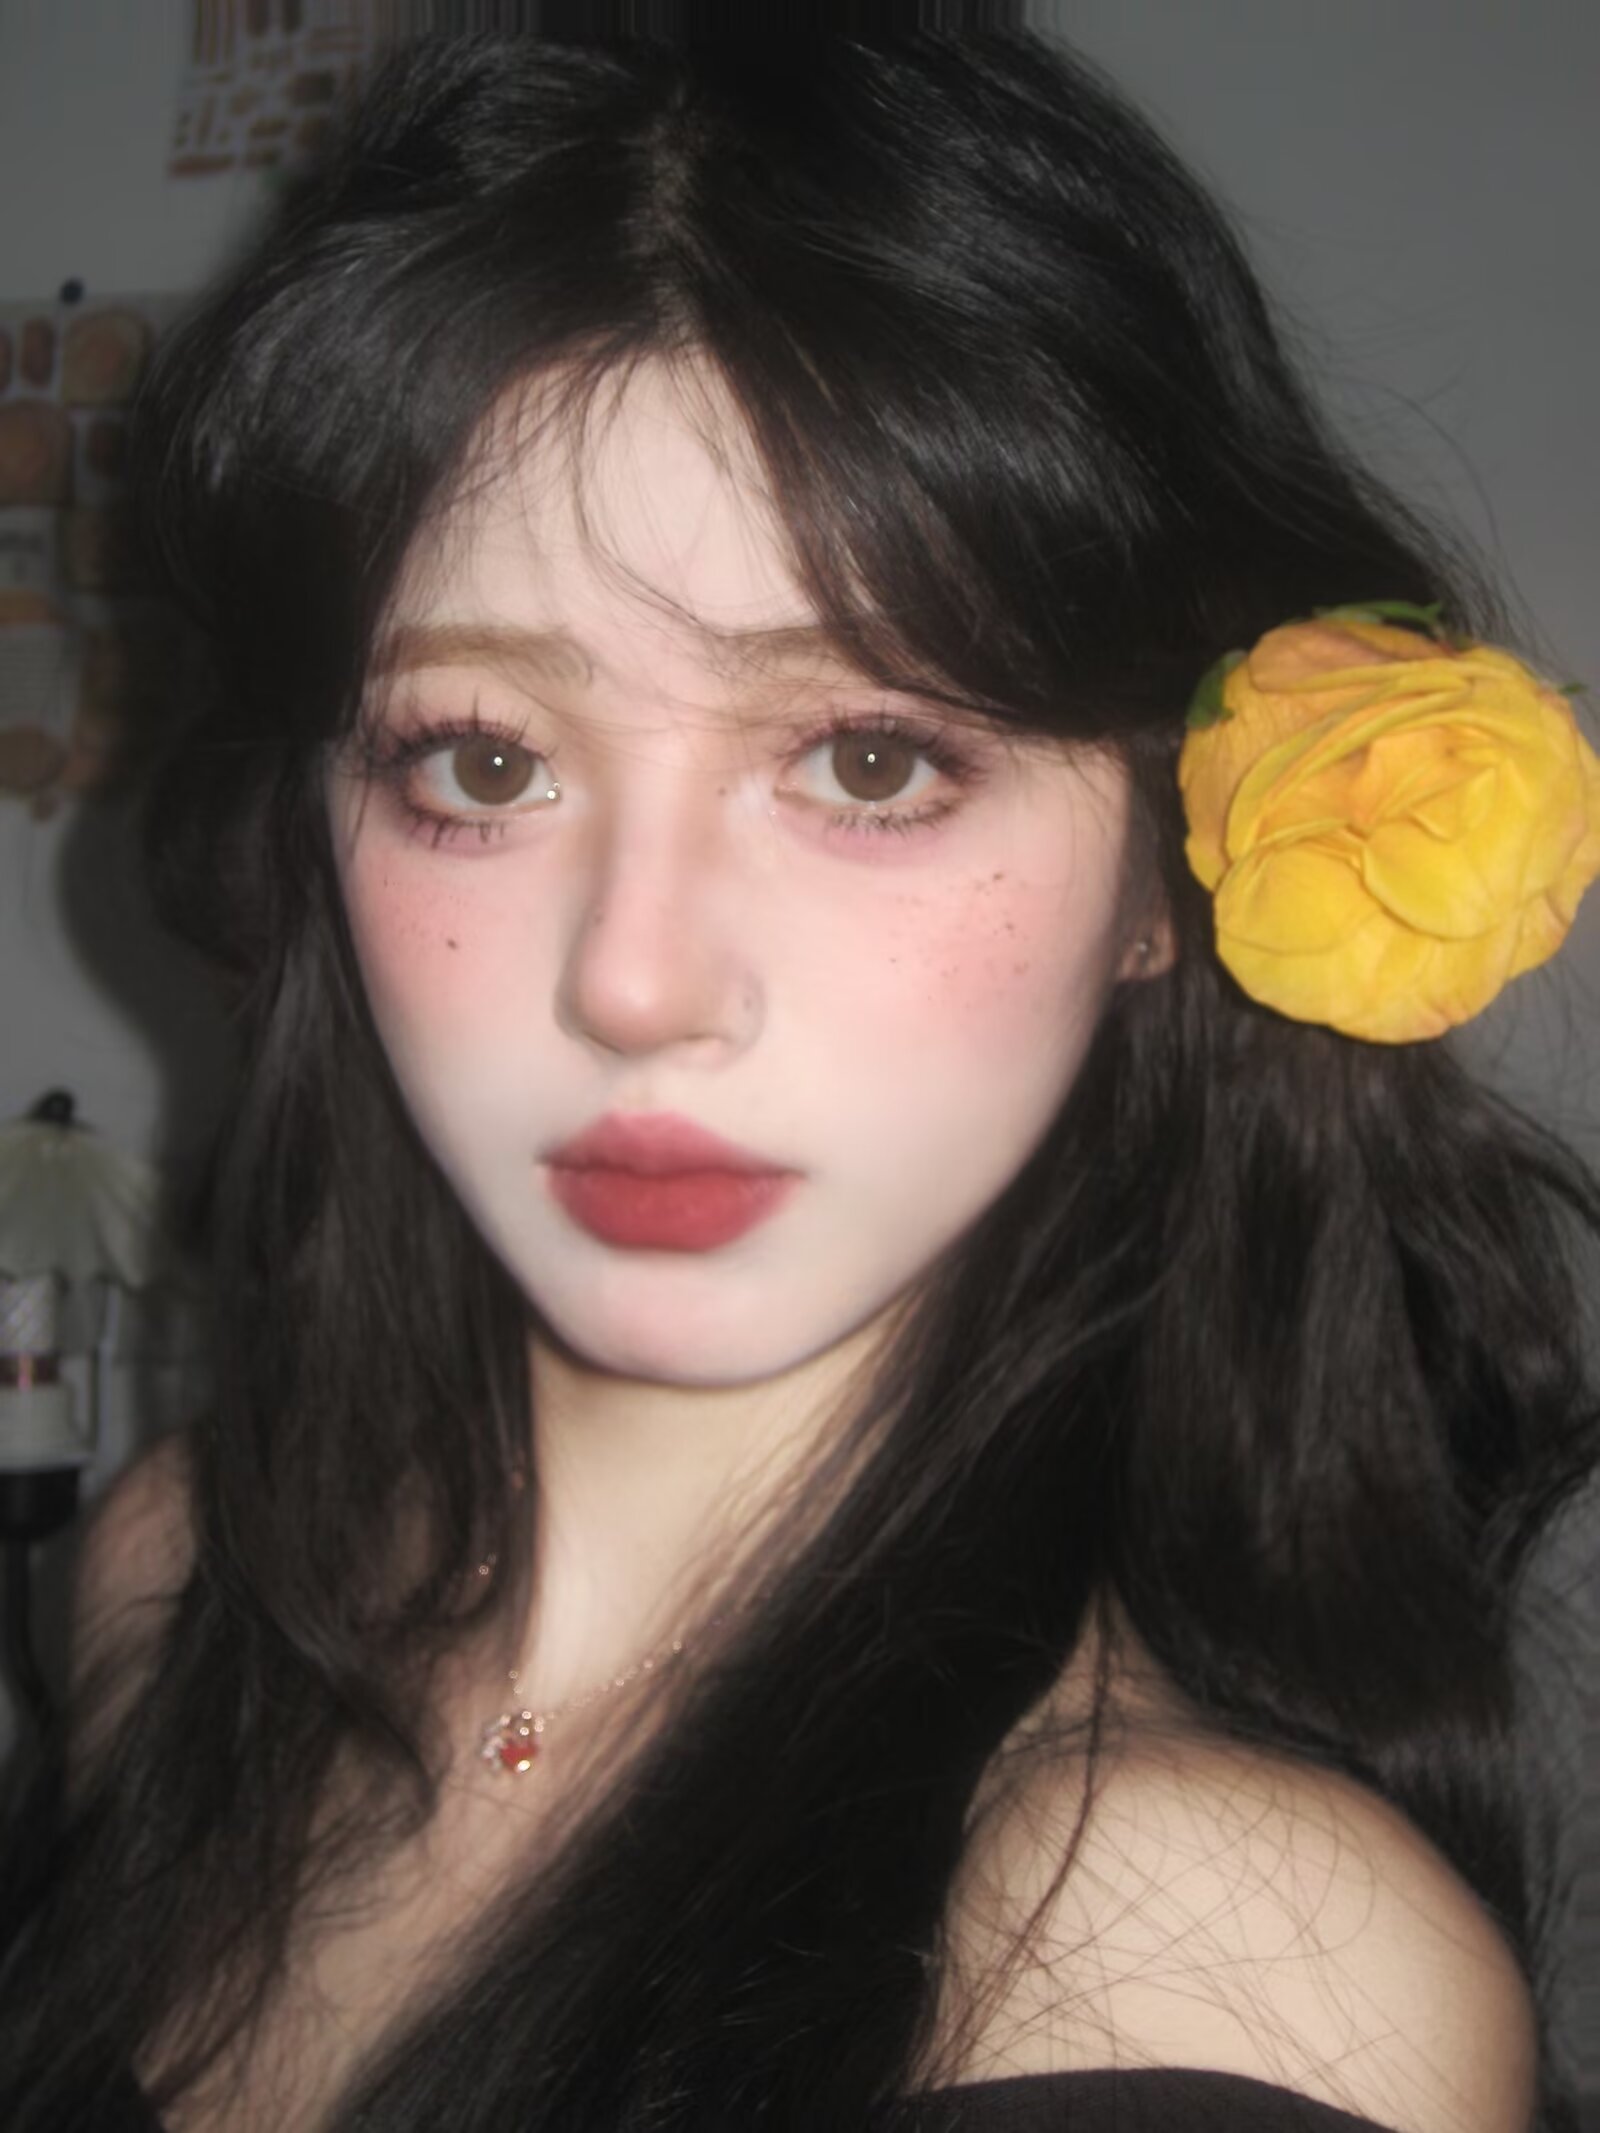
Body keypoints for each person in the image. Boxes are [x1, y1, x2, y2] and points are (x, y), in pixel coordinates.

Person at [3, 25, 1598, 2133]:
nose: (635, 981)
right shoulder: (172, 1580)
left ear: (1164, 865)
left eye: (866, 757)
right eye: (482, 757)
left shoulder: (1203, 1963)